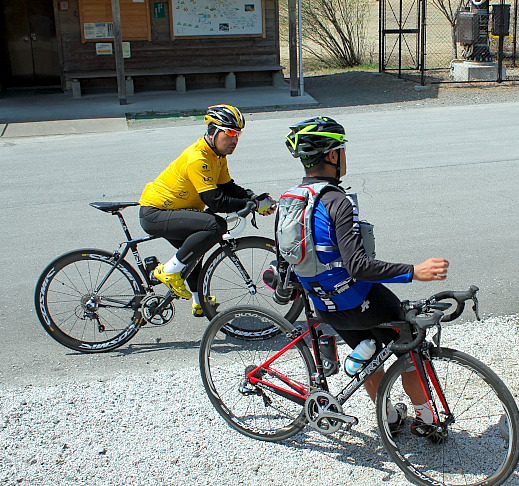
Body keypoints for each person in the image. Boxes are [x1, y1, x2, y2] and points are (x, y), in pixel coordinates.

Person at [275, 116, 450, 432]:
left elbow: (284, 264)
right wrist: (414, 272)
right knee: (409, 347)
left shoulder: (288, 201)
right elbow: (358, 266)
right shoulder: (337, 201)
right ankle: (426, 420)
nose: (344, 154)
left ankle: (389, 418)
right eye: (342, 149)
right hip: (360, 301)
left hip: (326, 308)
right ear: (332, 156)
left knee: (369, 359)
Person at [138, 104, 276, 316]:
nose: (234, 140)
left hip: (178, 211)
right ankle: (167, 271)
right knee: (215, 225)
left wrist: (252, 198)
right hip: (156, 213)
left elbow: (227, 187)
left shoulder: (217, 156)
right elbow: (215, 201)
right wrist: (251, 206)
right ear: (213, 131)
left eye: (238, 134)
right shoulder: (198, 158)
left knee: (198, 248)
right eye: (229, 132)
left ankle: (199, 301)